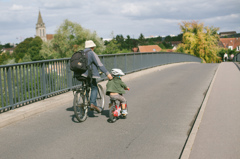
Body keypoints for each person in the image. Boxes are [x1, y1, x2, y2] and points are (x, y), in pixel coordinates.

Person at [82, 40, 113, 113]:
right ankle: (92, 103)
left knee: (85, 87)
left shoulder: (81, 53)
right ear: (92, 47)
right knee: (94, 87)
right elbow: (99, 64)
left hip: (80, 74)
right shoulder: (91, 53)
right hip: (89, 74)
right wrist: (107, 73)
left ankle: (84, 102)